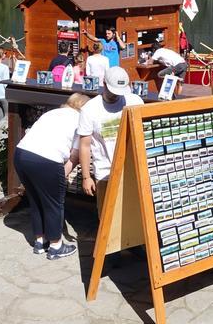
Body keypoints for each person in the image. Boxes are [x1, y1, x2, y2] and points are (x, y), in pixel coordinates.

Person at [14, 93, 90, 260]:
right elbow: (75, 156)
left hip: (21, 154)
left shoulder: (52, 113)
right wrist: (61, 176)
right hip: (47, 159)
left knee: (35, 201)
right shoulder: (81, 121)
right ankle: (56, 245)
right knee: (54, 203)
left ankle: (40, 242)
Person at [77, 66, 143, 205]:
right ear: (104, 84)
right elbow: (84, 145)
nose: (116, 95)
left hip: (132, 170)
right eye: (113, 91)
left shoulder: (135, 101)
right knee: (106, 216)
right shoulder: (90, 109)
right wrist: (86, 177)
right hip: (105, 172)